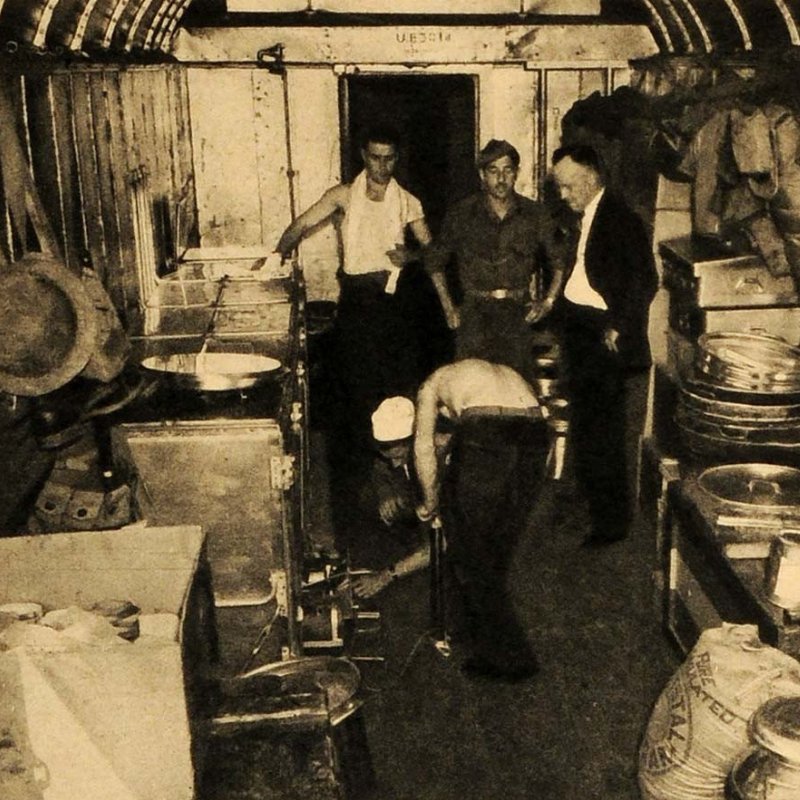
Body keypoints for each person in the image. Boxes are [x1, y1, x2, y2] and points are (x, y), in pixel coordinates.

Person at [275, 125, 433, 448]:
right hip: (356, 301)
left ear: (397, 159)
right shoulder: (343, 195)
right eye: (375, 158)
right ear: (364, 156)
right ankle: (361, 458)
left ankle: (395, 459)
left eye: (389, 159)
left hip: (394, 299)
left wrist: (412, 255)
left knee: (394, 383)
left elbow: (435, 251)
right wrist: (274, 258)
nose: (382, 166)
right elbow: (301, 225)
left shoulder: (407, 202)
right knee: (357, 383)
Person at [548, 144, 658, 548]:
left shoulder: (620, 218)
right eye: (559, 187)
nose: (563, 194)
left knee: (605, 435)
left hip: (601, 337)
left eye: (567, 186)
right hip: (581, 332)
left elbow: (645, 280)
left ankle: (611, 526)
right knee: (588, 430)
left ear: (591, 176)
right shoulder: (587, 215)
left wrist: (619, 326)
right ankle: (593, 511)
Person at [414, 358, 551, 681]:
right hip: (535, 432)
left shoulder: (431, 383)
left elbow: (423, 449)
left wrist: (431, 501)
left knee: (469, 551)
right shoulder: (497, 372)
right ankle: (482, 638)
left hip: (486, 432)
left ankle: (513, 658)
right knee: (496, 548)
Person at [424, 139, 566, 382]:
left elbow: (560, 262)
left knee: (518, 390)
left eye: (507, 170)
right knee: (472, 391)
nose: (501, 179)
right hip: (474, 317)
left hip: (517, 315)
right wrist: (449, 307)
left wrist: (548, 302)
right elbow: (434, 262)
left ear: (516, 173)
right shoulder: (461, 214)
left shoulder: (535, 214)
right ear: (482, 174)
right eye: (493, 171)